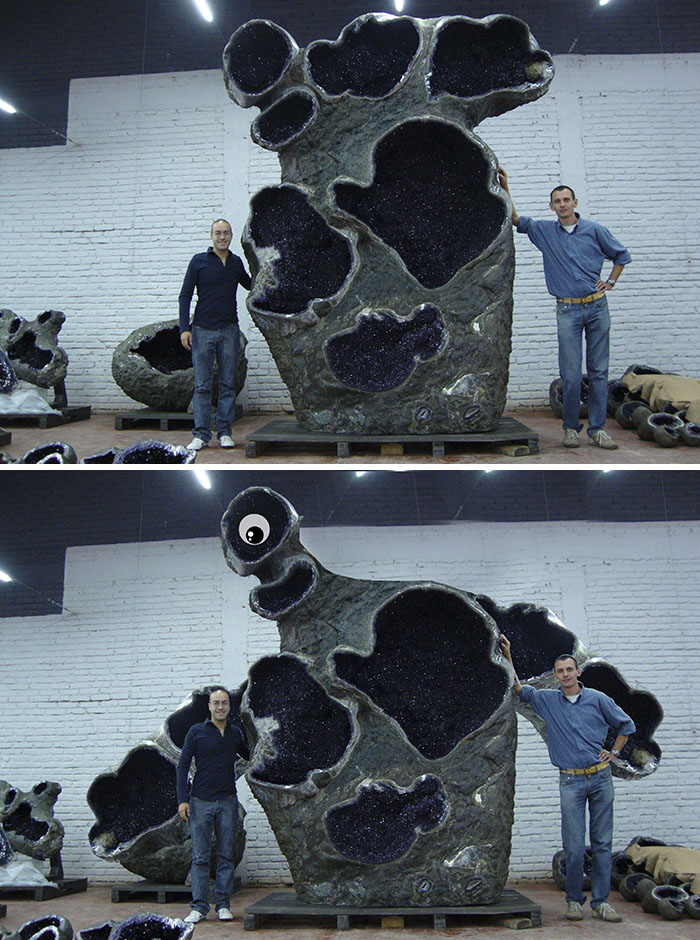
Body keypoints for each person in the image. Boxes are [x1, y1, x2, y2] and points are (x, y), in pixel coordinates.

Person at [499, 634, 635, 924]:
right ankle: (574, 901)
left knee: (602, 844)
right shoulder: (547, 700)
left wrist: (613, 753)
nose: (564, 675)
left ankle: (600, 903)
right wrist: (509, 656)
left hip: (600, 779)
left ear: (578, 672)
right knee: (573, 847)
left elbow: (626, 725)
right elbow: (519, 689)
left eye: (569, 670)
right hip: (570, 782)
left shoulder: (598, 700)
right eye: (559, 671)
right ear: (556, 675)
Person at [498, 167, 631, 450]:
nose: (562, 205)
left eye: (566, 200)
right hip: (567, 311)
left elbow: (621, 256)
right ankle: (571, 428)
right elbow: (514, 219)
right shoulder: (545, 231)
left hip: (596, 308)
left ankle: (597, 430)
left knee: (598, 372)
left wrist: (610, 281)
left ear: (575, 203)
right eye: (557, 201)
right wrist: (505, 186)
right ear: (552, 206)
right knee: (570, 375)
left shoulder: (595, 231)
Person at [177, 686, 250, 923]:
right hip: (199, 802)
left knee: (226, 855)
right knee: (200, 857)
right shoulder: (196, 732)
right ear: (209, 706)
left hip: (228, 801)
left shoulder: (235, 733)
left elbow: (251, 755)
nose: (220, 707)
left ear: (229, 706)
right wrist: (182, 799)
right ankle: (198, 907)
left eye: (224, 703)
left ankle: (222, 904)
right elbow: (183, 765)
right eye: (216, 703)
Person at [179, 219, 251, 451]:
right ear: (211, 236)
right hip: (202, 330)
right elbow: (185, 296)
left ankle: (224, 432)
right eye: (218, 233)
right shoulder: (199, 262)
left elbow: (252, 284)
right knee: (202, 385)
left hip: (229, 330)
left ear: (231, 236)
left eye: (226, 233)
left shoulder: (236, 263)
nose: (222, 237)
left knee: (228, 383)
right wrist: (184, 328)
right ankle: (200, 434)